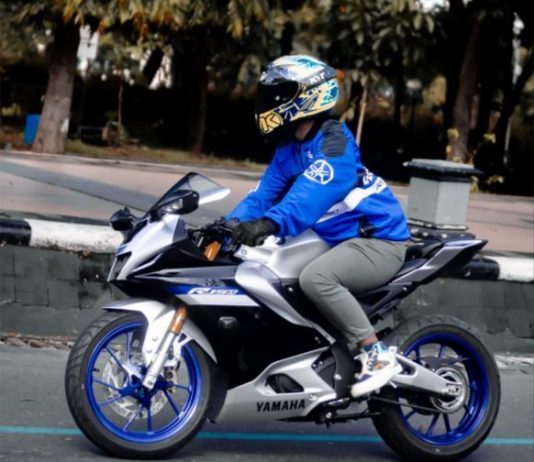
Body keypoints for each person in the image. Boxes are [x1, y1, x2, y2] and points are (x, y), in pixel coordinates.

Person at [224, 55, 410, 397]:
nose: (268, 103)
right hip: (335, 237)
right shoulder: (289, 148)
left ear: (306, 97)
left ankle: (374, 353)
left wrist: (268, 224)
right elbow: (262, 195)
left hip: (377, 240)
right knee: (269, 270)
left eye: (278, 96)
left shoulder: (334, 144)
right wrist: (227, 227)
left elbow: (309, 195)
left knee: (317, 278)